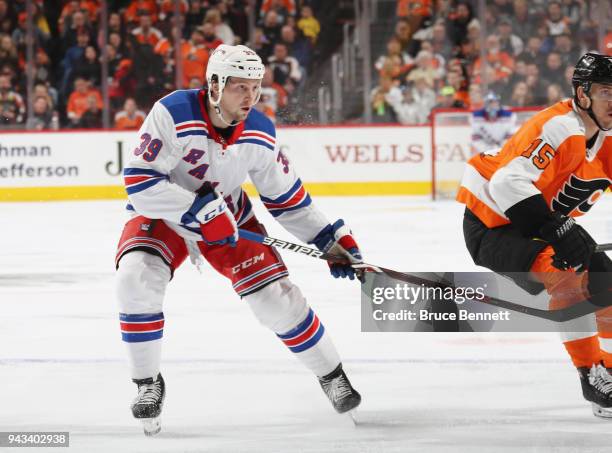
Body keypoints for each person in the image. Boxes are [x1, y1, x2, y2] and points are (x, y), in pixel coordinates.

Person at [115, 44, 362, 436]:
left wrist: (327, 238)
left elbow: (287, 199)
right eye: (239, 87)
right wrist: (196, 210)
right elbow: (140, 181)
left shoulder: (261, 131)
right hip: (164, 211)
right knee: (133, 278)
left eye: (255, 87)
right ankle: (147, 384)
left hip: (229, 218)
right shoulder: (173, 112)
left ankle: (331, 375)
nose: (250, 97)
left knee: (275, 300)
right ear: (214, 84)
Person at [457, 53, 612, 418]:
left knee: (606, 280)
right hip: (492, 223)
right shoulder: (559, 126)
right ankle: (592, 375)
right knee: (567, 274)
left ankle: (608, 367)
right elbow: (505, 182)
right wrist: (557, 230)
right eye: (608, 91)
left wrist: (556, 228)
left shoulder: (606, 139)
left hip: (540, 220)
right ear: (584, 95)